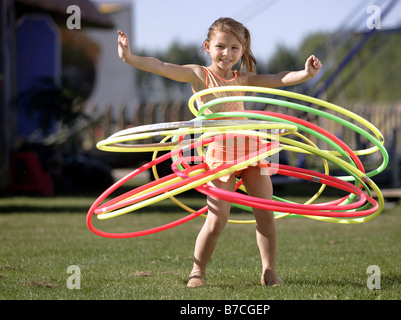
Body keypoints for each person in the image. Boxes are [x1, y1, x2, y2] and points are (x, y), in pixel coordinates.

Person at [117, 17, 322, 287]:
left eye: (235, 48)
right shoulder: (199, 75)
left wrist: (306, 74)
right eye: (221, 46)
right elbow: (162, 66)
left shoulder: (244, 78)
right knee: (217, 219)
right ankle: (197, 272)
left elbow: (277, 79)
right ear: (207, 47)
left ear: (242, 50)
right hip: (220, 154)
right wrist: (129, 57)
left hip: (252, 151)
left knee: (266, 214)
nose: (227, 53)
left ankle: (269, 271)